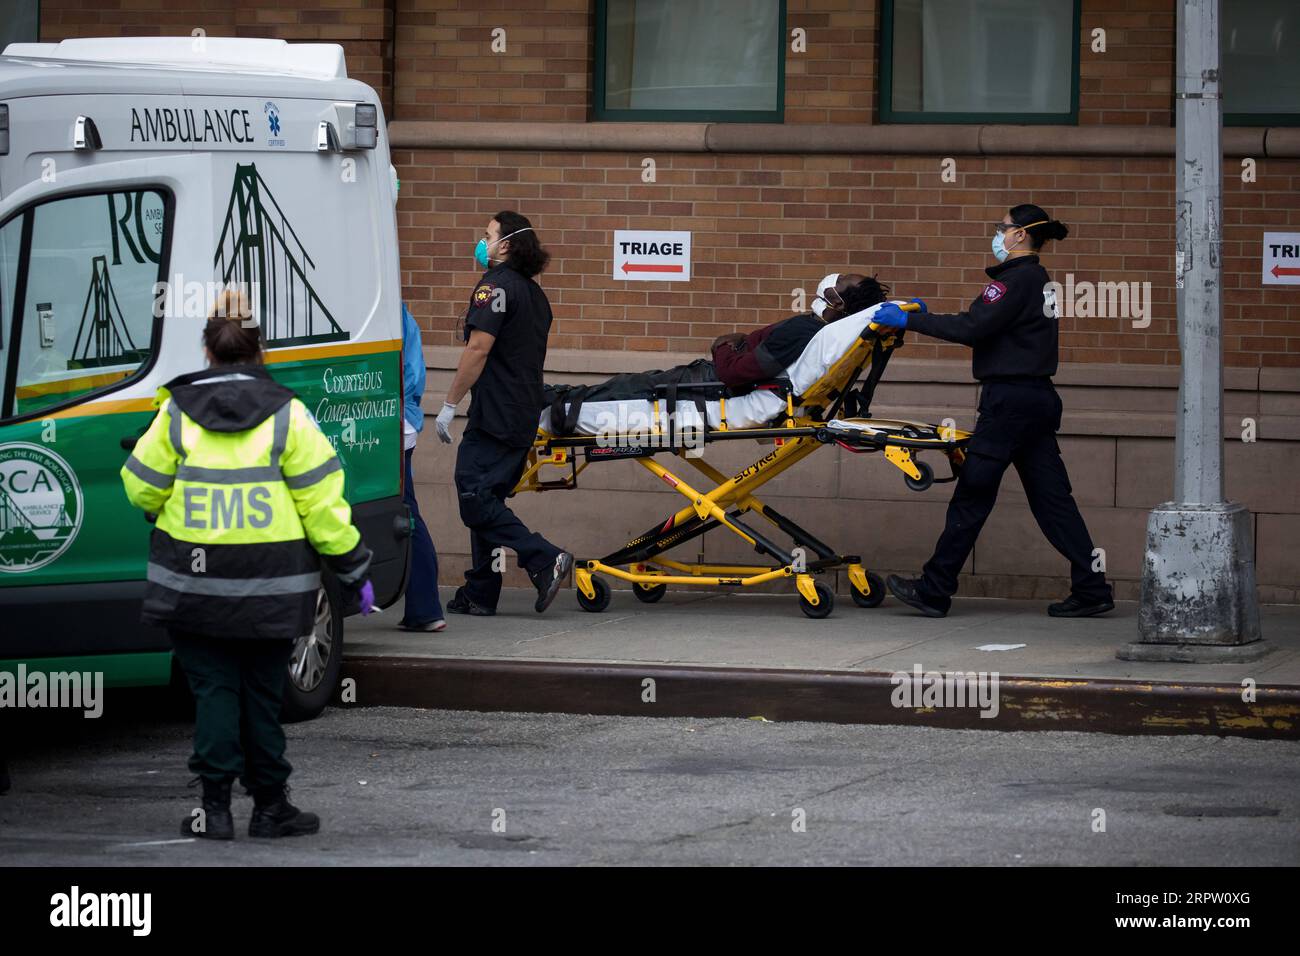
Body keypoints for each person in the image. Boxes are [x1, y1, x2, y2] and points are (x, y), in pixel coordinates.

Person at [120, 290, 374, 840]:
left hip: (194, 586)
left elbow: (140, 488)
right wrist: (353, 569)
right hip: (273, 589)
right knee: (262, 695)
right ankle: (269, 807)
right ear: (260, 349)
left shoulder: (174, 411)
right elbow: (324, 506)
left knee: (213, 692)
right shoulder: (289, 416)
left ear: (207, 350)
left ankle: (213, 811)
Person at [877, 204, 1114, 619]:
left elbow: (973, 327)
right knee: (1053, 500)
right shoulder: (1040, 282)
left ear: (1020, 235)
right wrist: (927, 316)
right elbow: (991, 328)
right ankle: (1092, 586)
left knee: (972, 494)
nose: (997, 235)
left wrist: (911, 322)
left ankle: (934, 590)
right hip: (1035, 401)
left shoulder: (1016, 280)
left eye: (1002, 228)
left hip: (1008, 404)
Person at [435, 211, 572, 616]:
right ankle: (481, 591)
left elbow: (478, 349)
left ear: (506, 245)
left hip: (495, 413)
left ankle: (543, 557)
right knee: (488, 497)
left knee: (473, 496)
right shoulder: (534, 294)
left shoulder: (493, 287)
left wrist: (448, 404)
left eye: (488, 235)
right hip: (523, 410)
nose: (482, 241)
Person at [709, 273, 890, 390]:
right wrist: (743, 338)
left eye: (841, 280)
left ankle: (689, 444)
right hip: (741, 355)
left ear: (837, 303)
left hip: (714, 383)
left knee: (680, 384)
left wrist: (723, 344)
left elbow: (732, 374)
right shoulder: (821, 330)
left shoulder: (801, 332)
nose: (836, 277)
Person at [397, 302, 446, 632]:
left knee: (408, 517)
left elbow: (409, 377)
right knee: (407, 514)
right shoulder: (401, 315)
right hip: (400, 423)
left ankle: (426, 608)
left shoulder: (395, 315)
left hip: (393, 424)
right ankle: (424, 608)